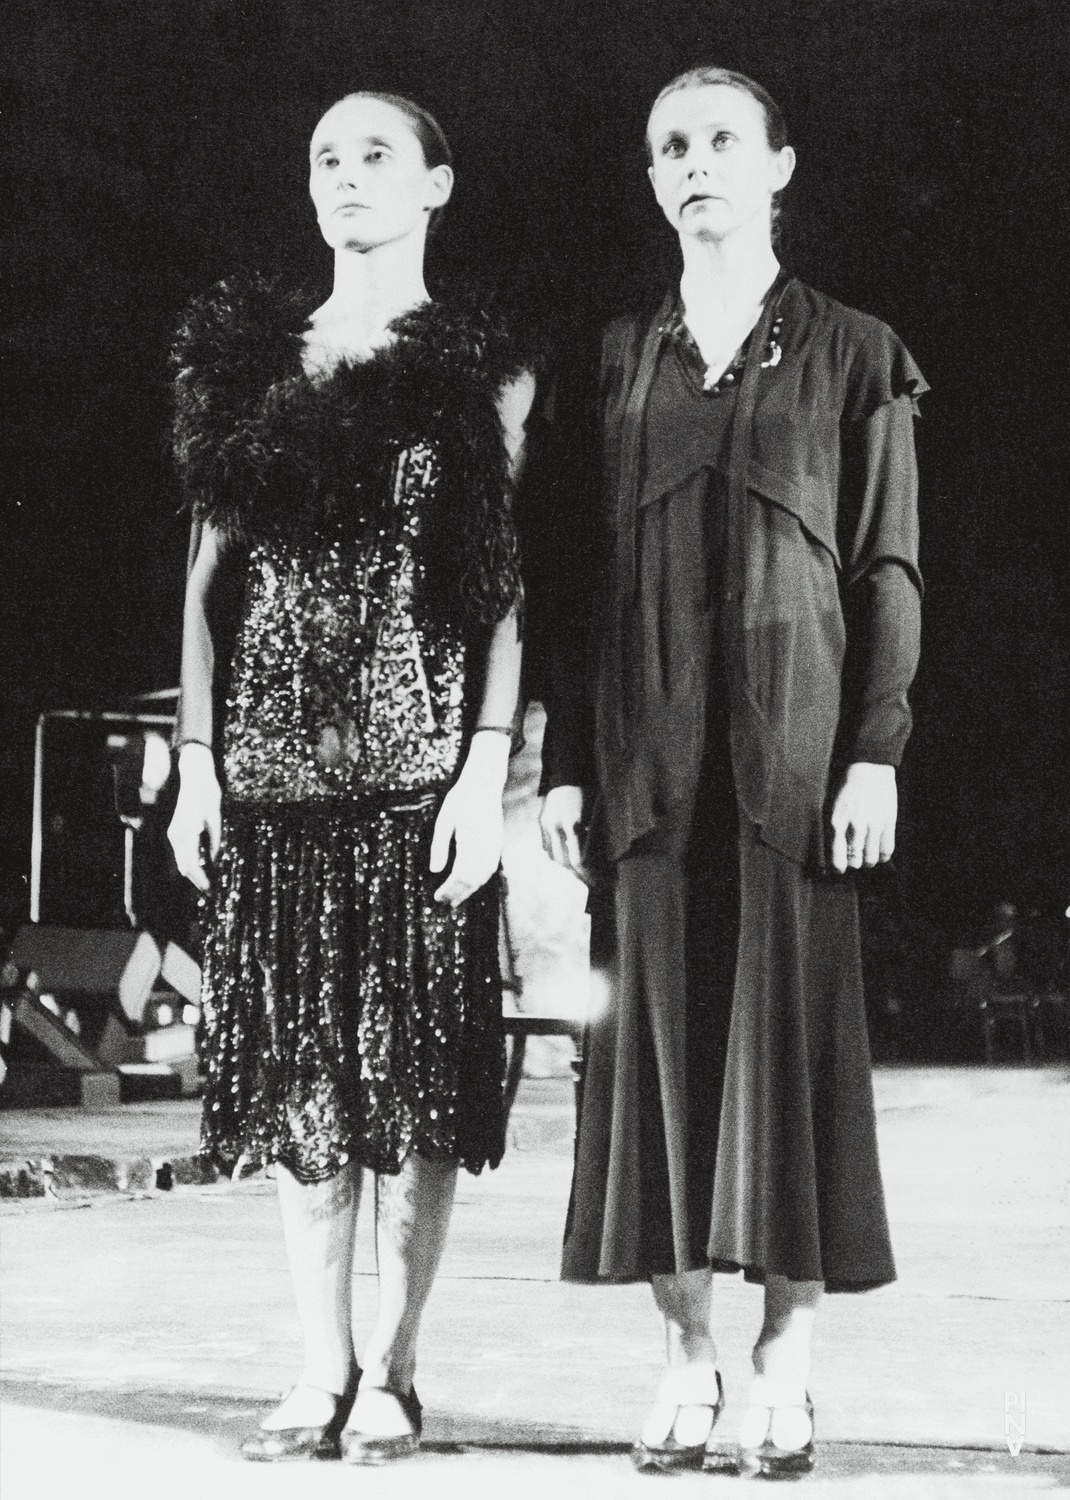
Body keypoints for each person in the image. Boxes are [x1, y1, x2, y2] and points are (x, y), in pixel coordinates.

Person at [539, 66, 924, 1478]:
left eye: (718, 141)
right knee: (650, 1067)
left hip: (791, 766)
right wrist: (566, 768)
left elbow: (887, 565)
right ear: (651, 180)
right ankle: (684, 1357)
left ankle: (784, 1361)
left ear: (778, 166)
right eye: (668, 147)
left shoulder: (856, 352)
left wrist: (872, 750)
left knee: (791, 1070)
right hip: (647, 765)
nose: (692, 163)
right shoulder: (613, 358)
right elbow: (575, 579)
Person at [167, 90, 533, 1464]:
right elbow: (205, 585)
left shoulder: (480, 365)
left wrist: (483, 769)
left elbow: (500, 589)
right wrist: (199, 766)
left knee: (417, 1089)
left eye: (375, 154)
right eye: (324, 156)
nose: (345, 176)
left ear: (436, 184)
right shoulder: (247, 360)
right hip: (270, 779)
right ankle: (317, 1363)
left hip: (417, 777)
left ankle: (396, 1367)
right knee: (305, 1089)